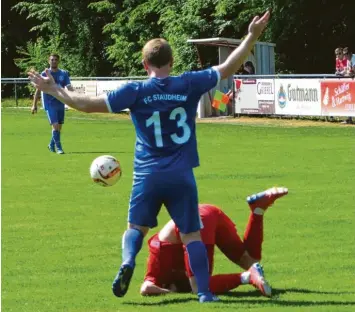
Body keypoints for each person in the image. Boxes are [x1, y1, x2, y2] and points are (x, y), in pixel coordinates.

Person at [28, 10, 270, 303]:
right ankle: (205, 294)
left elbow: (87, 104)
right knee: (192, 234)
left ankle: (129, 262)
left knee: (136, 229)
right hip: (181, 174)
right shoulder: (188, 83)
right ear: (172, 62)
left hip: (148, 175)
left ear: (145, 64)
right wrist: (252, 35)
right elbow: (230, 65)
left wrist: (54, 89)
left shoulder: (136, 91)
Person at [140, 187, 288, 297]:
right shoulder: (170, 270)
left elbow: (145, 288)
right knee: (250, 260)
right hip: (209, 212)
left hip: (196, 224)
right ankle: (258, 210)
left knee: (199, 287)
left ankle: (247, 277)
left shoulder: (157, 266)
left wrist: (170, 293)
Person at [31, 54, 74, 154]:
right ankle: (59, 148)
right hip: (49, 103)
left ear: (58, 61)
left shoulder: (64, 73)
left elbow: (69, 88)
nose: (54, 61)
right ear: (48, 61)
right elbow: (38, 89)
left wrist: (78, 97)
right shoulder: (45, 73)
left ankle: (51, 144)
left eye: (55, 60)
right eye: (52, 60)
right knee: (55, 125)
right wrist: (34, 104)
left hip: (60, 102)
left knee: (59, 127)